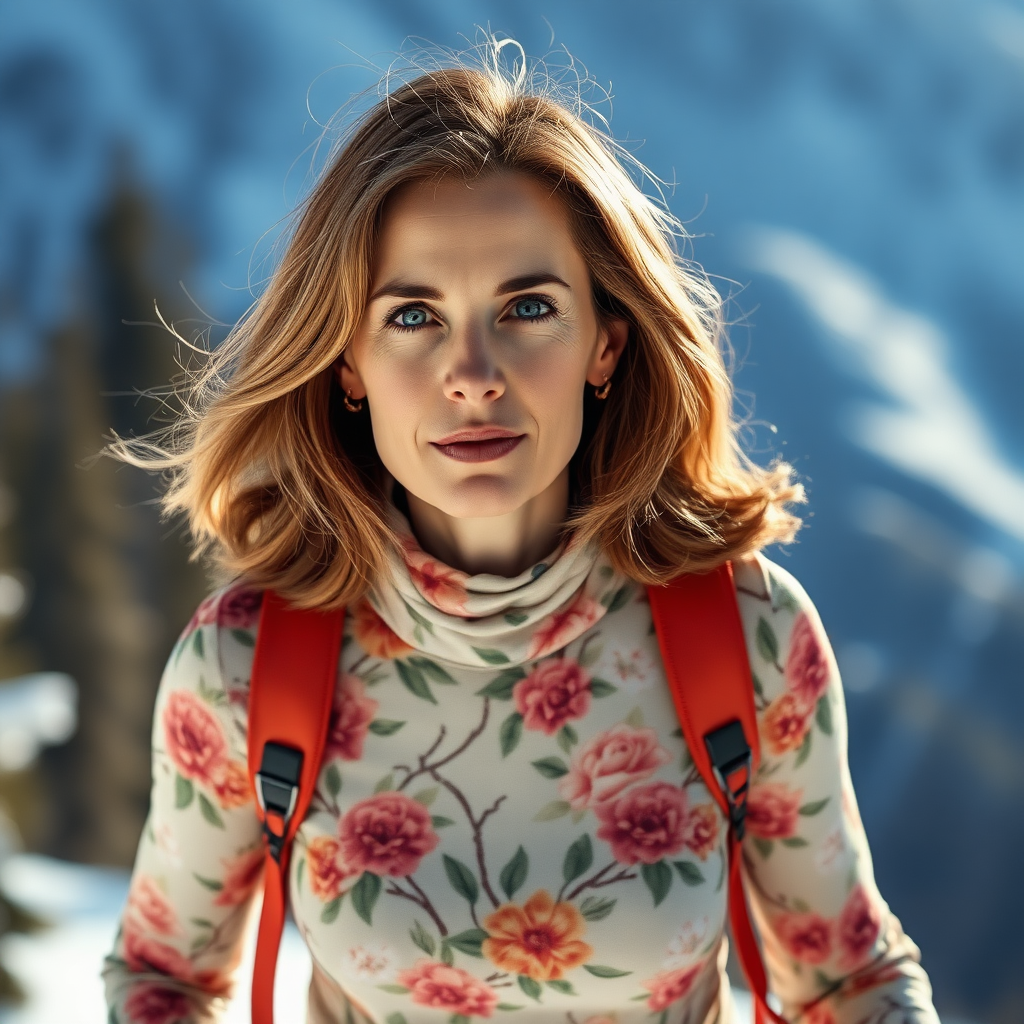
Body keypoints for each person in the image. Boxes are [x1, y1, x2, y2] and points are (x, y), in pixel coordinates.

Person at [103, 43, 940, 1024]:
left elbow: (849, 981)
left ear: (605, 344)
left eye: (528, 307)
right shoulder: (244, 664)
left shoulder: (745, 638)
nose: (473, 370)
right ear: (347, 366)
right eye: (413, 314)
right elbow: (164, 978)